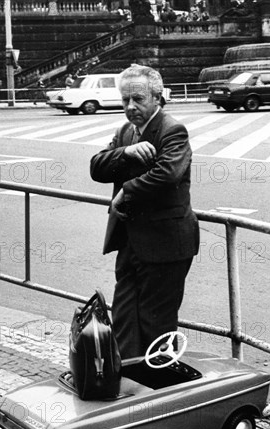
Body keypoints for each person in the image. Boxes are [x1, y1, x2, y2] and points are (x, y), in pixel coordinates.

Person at [90, 64, 200, 360]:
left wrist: (126, 191)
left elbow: (168, 174)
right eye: (125, 99)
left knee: (156, 324)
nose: (130, 106)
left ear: (157, 98)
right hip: (130, 241)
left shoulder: (172, 130)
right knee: (124, 317)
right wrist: (123, 152)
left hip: (166, 244)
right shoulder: (125, 132)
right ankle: (128, 383)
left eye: (138, 99)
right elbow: (96, 167)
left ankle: (161, 389)